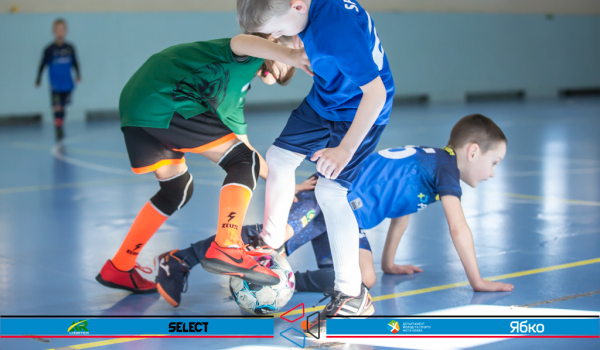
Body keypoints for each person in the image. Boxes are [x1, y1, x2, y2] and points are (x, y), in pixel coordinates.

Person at [154, 114, 513, 309]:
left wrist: (388, 263)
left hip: (346, 219)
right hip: (329, 196)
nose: (493, 173)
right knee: (271, 241)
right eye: (494, 162)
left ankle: (287, 280)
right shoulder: (446, 168)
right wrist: (477, 282)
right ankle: (180, 259)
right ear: (472, 152)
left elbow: (402, 210)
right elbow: (458, 228)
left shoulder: (433, 163)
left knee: (364, 279)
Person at [236, 0, 396, 319]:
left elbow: (376, 93)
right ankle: (271, 246)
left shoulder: (336, 31)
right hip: (327, 97)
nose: (276, 37)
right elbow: (294, 25)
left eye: (278, 30)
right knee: (278, 158)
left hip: (359, 108)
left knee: (331, 192)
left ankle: (352, 294)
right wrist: (289, 47)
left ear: (297, 7)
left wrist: (345, 149)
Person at [95, 34, 312, 296]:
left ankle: (120, 265)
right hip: (166, 96)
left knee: (177, 189)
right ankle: (227, 244)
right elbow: (240, 41)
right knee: (243, 160)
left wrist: (285, 185)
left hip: (140, 103)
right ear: (274, 42)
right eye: (292, 51)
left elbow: (245, 146)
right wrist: (290, 55)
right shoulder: (249, 53)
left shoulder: (238, 89)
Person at [36, 18, 81, 141]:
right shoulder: (49, 49)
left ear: (66, 31)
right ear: (53, 32)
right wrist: (38, 79)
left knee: (63, 107)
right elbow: (42, 64)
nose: (60, 32)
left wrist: (78, 75)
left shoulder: (70, 48)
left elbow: (75, 62)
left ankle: (60, 123)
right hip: (55, 83)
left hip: (67, 83)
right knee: (57, 106)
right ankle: (58, 128)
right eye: (57, 30)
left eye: (62, 29)